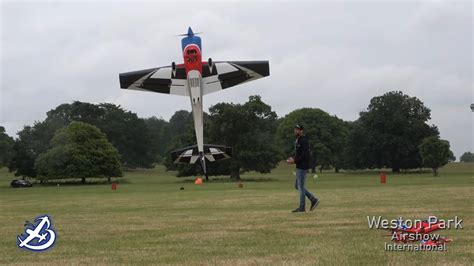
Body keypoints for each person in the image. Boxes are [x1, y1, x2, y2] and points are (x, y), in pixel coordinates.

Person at [286, 124, 320, 213]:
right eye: (295, 129)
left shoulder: (304, 141)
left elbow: (305, 155)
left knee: (300, 187)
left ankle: (302, 207)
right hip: (299, 166)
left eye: (298, 129)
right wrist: (293, 158)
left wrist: (294, 161)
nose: (296, 131)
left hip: (303, 167)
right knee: (297, 186)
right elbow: (298, 154)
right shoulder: (298, 140)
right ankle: (313, 199)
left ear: (302, 131)